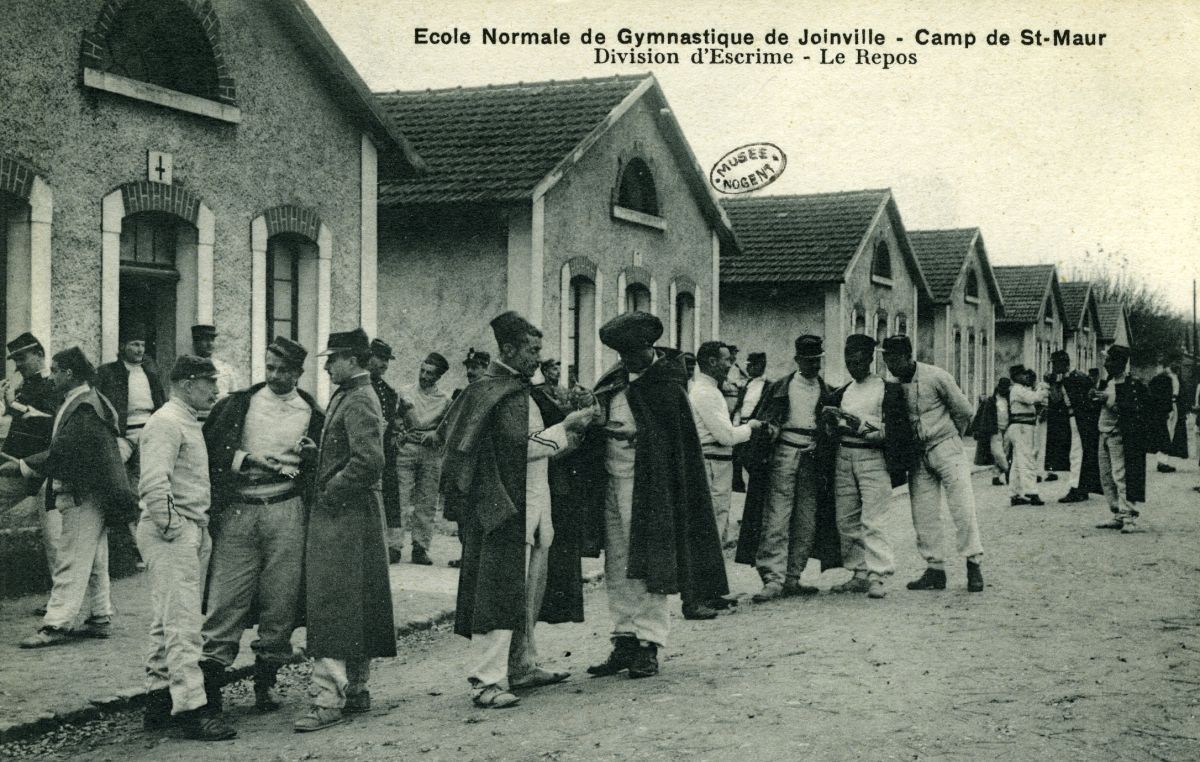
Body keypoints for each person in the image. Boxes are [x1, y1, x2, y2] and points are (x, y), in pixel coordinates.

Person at [440, 311, 591, 708]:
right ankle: (486, 681)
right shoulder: (490, 390)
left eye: (539, 350)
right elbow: (518, 448)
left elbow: (534, 445)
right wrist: (567, 428)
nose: (538, 358)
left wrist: (570, 434)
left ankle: (521, 666)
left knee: (528, 593)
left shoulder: (522, 390)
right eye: (532, 350)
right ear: (508, 350)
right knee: (498, 593)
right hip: (505, 508)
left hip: (536, 507)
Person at [580, 312, 728, 679]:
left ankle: (649, 643)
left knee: (650, 563)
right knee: (617, 562)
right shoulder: (614, 380)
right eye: (622, 355)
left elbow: (673, 442)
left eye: (633, 354)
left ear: (649, 348)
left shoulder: (667, 386)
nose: (627, 361)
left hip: (650, 487)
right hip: (612, 481)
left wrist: (638, 438)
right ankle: (624, 638)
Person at [199, 336, 324, 713]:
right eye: (270, 367)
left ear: (298, 372)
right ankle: (210, 690)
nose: (274, 375)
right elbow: (209, 450)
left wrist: (310, 459)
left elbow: (315, 472)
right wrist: (244, 460)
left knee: (280, 600)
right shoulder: (239, 404)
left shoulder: (311, 413)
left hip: (286, 510)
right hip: (239, 510)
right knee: (226, 597)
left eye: (283, 370)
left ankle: (265, 682)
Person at [294, 329, 394, 732]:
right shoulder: (350, 394)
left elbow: (370, 460)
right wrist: (320, 455)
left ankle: (327, 699)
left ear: (352, 360)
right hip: (355, 513)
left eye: (332, 359)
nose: (326, 366)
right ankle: (355, 689)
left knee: (332, 604)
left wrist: (330, 492)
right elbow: (351, 452)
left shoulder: (359, 397)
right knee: (357, 602)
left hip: (345, 514)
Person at [4, 347, 135, 648]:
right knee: (96, 557)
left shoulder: (83, 406)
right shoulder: (87, 400)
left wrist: (22, 466)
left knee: (71, 557)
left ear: (69, 373)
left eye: (56, 370)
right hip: (96, 490)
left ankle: (56, 624)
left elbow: (65, 451)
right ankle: (100, 616)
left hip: (82, 492)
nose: (51, 376)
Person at [135, 355, 235, 740]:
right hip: (172, 531)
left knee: (168, 620)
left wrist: (194, 529)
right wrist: (173, 527)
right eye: (210, 382)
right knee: (183, 624)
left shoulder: (186, 420)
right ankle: (193, 710)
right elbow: (153, 483)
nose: (216, 390)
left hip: (190, 527)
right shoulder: (166, 422)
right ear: (188, 384)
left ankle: (158, 701)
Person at [735, 334, 842, 603]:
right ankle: (773, 578)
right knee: (777, 517)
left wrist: (826, 434)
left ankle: (793, 576)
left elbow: (832, 431)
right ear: (797, 360)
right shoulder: (779, 388)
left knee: (807, 519)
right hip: (783, 455)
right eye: (808, 360)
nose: (813, 365)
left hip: (812, 458)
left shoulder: (827, 392)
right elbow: (763, 420)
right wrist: (770, 430)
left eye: (817, 360)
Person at [880, 335, 984, 593]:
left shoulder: (936, 376)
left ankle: (973, 564)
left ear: (908, 356)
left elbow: (964, 411)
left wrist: (952, 438)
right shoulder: (891, 385)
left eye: (895, 359)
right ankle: (935, 569)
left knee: (962, 507)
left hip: (947, 446)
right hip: (918, 454)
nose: (891, 365)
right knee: (923, 513)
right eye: (886, 359)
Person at [825, 334, 912, 599]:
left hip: (873, 457)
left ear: (870, 359)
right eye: (849, 362)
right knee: (846, 518)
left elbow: (897, 431)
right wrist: (832, 422)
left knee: (874, 518)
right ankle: (859, 573)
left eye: (859, 362)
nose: (854, 367)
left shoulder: (888, 390)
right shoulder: (843, 392)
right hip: (845, 456)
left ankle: (878, 575)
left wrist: (863, 427)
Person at [688, 341, 764, 550]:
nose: (730, 365)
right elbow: (726, 436)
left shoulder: (710, 390)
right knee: (713, 522)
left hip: (717, 463)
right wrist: (751, 427)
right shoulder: (706, 393)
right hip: (712, 464)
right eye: (727, 360)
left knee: (716, 521)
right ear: (712, 361)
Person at [0, 333, 59, 579]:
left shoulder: (54, 383)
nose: (17, 365)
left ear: (39, 354)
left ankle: (64, 597)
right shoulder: (25, 386)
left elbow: (52, 423)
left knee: (55, 541)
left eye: (22, 358)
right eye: (15, 360)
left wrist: (14, 405)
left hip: (49, 471)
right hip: (18, 469)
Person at [395, 352, 451, 565]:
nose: (424, 376)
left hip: (431, 452)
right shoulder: (405, 392)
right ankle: (393, 546)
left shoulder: (445, 400)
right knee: (400, 497)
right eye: (422, 371)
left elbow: (449, 426)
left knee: (427, 501)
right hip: (407, 449)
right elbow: (395, 418)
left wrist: (436, 434)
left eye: (430, 373)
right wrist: (401, 432)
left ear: (438, 377)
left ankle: (420, 547)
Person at [1094, 345, 1150, 533]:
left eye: (1109, 360)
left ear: (1120, 362)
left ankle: (1128, 515)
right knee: (1106, 475)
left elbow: (1133, 410)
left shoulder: (1131, 384)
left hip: (1120, 434)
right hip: (1104, 431)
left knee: (1121, 474)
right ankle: (1117, 511)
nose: (1106, 364)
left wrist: (1108, 401)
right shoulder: (1108, 382)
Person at [368, 339, 404, 564]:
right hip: (368, 452)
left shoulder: (389, 392)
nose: (384, 364)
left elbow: (396, 418)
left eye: (387, 360)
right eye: (380, 358)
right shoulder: (360, 387)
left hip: (386, 453)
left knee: (391, 495)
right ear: (369, 357)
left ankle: (393, 545)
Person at [1007, 366, 1048, 506]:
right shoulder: (1017, 389)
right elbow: (1035, 398)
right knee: (1027, 459)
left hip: (1022, 427)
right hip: (1022, 427)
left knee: (1017, 462)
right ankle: (1031, 491)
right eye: (1023, 374)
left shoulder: (1021, 389)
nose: (1026, 376)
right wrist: (1043, 387)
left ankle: (1015, 493)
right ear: (1016, 376)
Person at [731, 352, 768, 493]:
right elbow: (740, 405)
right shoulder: (747, 384)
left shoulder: (769, 386)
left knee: (753, 462)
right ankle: (738, 487)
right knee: (737, 458)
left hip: (756, 428)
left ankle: (756, 491)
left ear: (760, 366)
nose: (748, 369)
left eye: (751, 366)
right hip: (742, 426)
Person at [972, 377, 1011, 487]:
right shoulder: (991, 400)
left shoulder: (1009, 400)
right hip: (995, 429)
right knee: (997, 453)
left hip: (1008, 428)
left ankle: (996, 476)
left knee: (1005, 452)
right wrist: (979, 429)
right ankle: (1008, 471)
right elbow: (982, 415)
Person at [189, 324, 239, 401]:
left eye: (212, 340)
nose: (210, 344)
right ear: (195, 343)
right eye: (205, 340)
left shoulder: (225, 369)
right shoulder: (186, 369)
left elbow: (235, 399)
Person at [1147, 359, 1176, 473]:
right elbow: (1168, 397)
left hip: (1154, 412)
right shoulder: (1167, 380)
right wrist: (1168, 410)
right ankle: (1163, 463)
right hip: (1162, 412)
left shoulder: (1153, 380)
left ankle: (1161, 462)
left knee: (1159, 437)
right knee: (1164, 437)